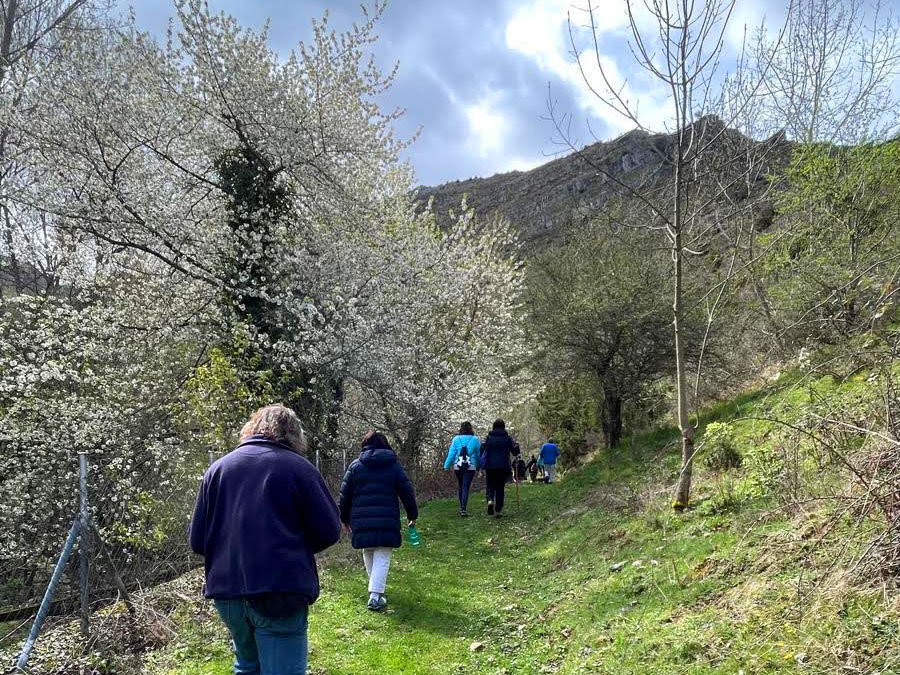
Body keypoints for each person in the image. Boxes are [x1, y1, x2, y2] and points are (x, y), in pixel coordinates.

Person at [189, 404, 341, 675]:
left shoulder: (218, 470)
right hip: (280, 590)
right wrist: (297, 546)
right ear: (294, 434)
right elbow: (329, 530)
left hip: (228, 592)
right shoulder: (299, 469)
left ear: (251, 428)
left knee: (247, 667)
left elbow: (198, 541)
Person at [339, 431, 418, 612]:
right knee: (382, 553)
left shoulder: (355, 466)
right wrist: (412, 515)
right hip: (386, 519)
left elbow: (344, 495)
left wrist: (344, 517)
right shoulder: (393, 466)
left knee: (369, 549)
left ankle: (375, 592)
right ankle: (375, 596)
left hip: (361, 520)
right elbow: (407, 492)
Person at [480, 419, 520, 518]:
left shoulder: (488, 437)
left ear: (493, 426)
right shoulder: (507, 438)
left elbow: (482, 449)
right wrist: (517, 447)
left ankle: (490, 500)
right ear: (504, 427)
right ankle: (498, 510)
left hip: (490, 466)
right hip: (503, 466)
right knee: (500, 487)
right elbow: (515, 452)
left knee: (490, 484)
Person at [443, 421, 481, 517]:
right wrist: (478, 465)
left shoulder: (456, 439)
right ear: (471, 428)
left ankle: (462, 507)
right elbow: (478, 455)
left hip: (458, 466)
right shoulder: (475, 439)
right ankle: (463, 508)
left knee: (461, 485)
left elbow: (451, 454)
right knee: (465, 486)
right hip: (470, 466)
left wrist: (446, 466)